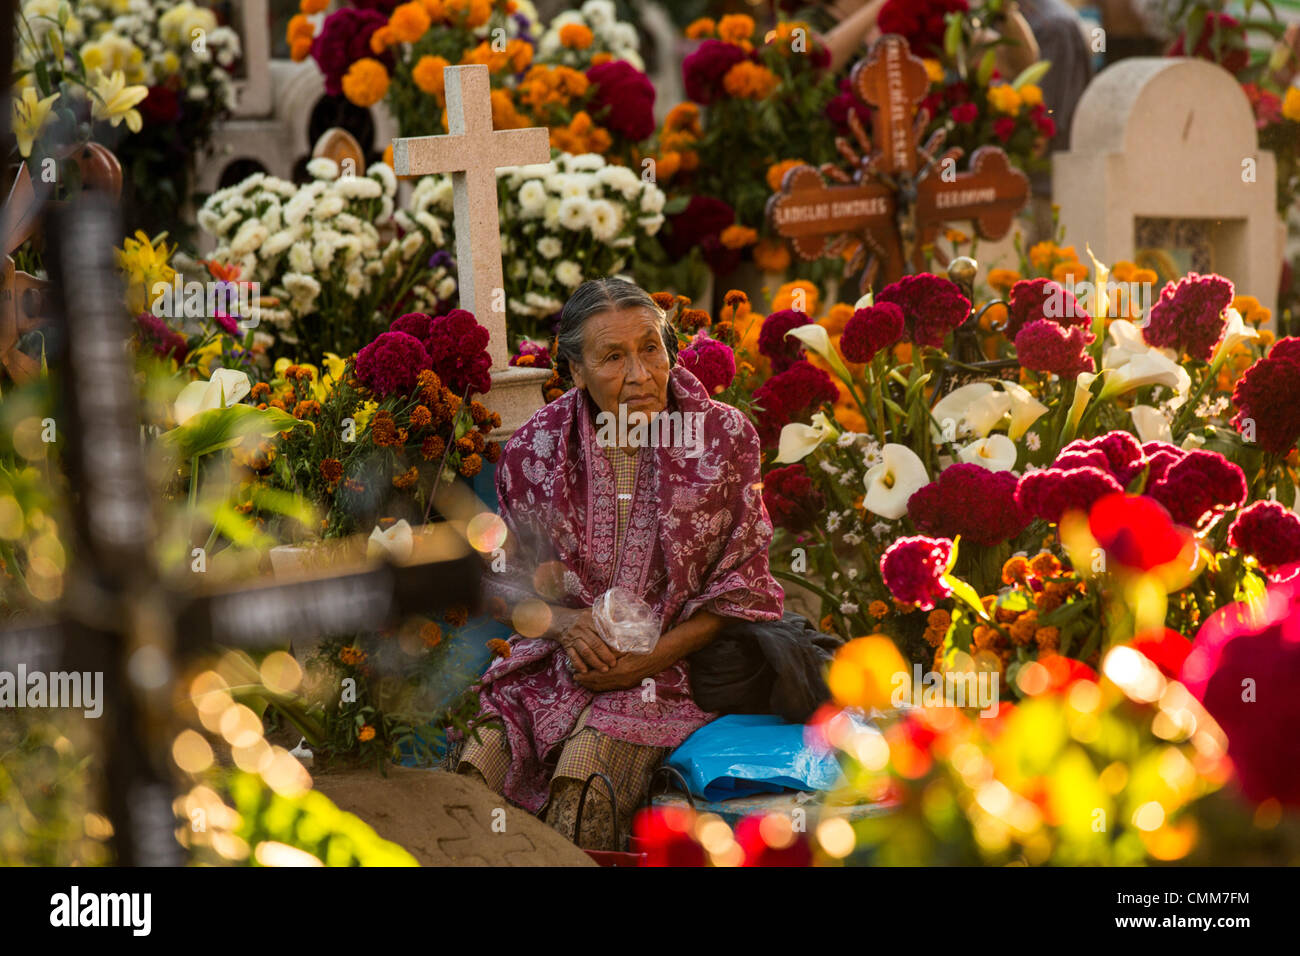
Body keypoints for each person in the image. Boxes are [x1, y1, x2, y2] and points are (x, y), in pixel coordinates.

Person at [455, 278, 783, 850]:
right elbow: (503, 579)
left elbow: (744, 586)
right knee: (470, 776)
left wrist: (647, 660)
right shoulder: (537, 448)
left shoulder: (723, 436)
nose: (639, 374)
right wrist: (565, 625)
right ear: (576, 372)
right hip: (558, 663)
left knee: (584, 782)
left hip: (675, 670)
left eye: (650, 348)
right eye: (612, 357)